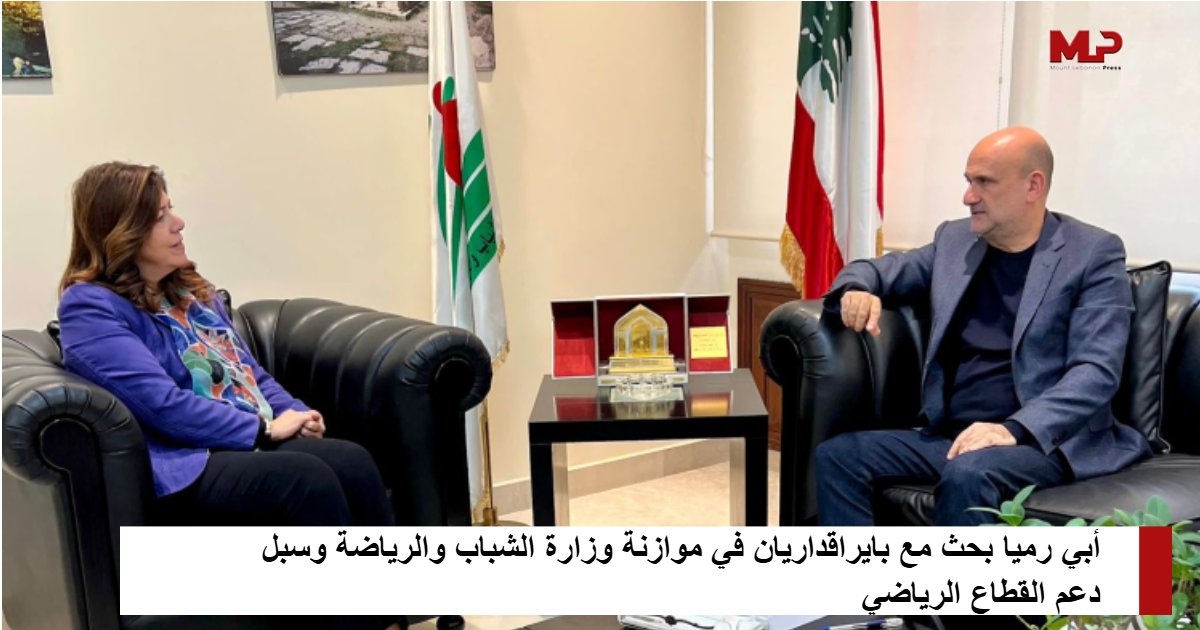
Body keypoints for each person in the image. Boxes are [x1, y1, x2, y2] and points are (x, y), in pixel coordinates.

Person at [57, 161, 405, 630]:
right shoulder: (90, 308)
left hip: (238, 440)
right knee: (305, 479)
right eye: (160, 216)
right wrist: (263, 430)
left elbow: (250, 374)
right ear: (122, 231)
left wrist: (295, 411)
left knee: (352, 461)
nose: (179, 223)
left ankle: (386, 619)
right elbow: (161, 405)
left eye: (171, 209)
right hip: (185, 460)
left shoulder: (189, 293)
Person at [814, 127, 1152, 526]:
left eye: (984, 182)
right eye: (968, 181)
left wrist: (1014, 428)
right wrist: (856, 289)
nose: (968, 196)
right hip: (953, 435)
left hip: (1042, 441)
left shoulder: (1091, 253)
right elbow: (879, 269)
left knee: (969, 473)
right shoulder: (955, 240)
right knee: (839, 457)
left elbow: (1096, 371)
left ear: (1033, 186)